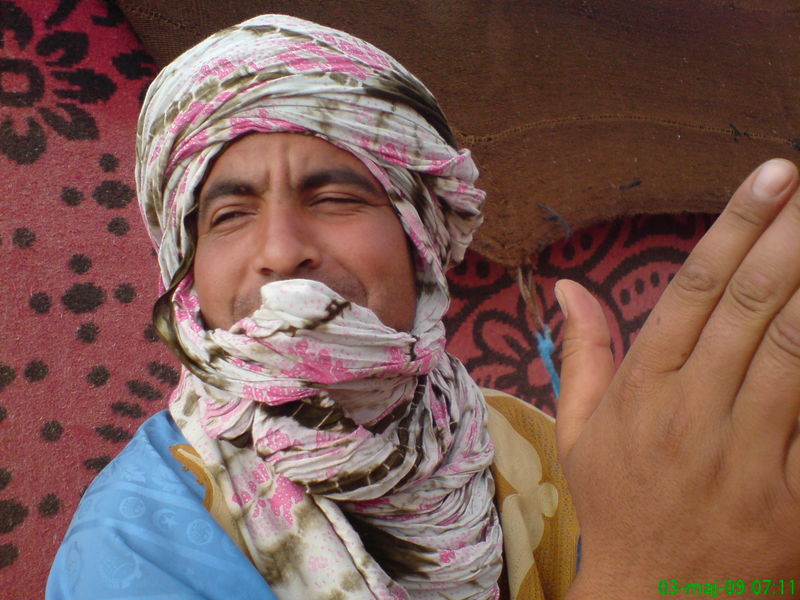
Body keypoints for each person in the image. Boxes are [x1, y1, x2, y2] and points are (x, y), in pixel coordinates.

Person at [47, 13, 800, 600]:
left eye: (334, 197)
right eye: (229, 215)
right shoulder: (133, 546)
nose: (279, 250)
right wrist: (640, 574)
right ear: (187, 278)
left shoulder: (525, 441)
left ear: (422, 243)